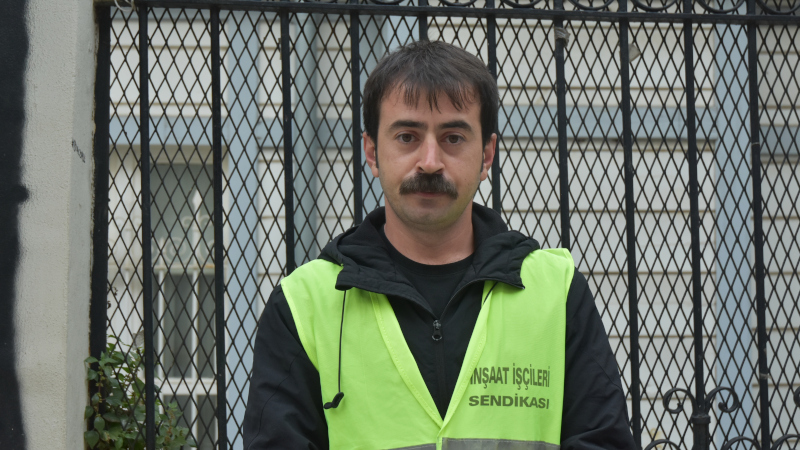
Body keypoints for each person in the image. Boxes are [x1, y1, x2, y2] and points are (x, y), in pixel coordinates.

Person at [243, 40, 636, 449]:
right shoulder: (303, 305)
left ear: (486, 155)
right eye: (407, 136)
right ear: (372, 153)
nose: (430, 161)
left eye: (453, 138)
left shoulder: (557, 291)